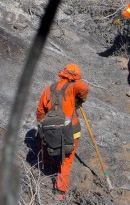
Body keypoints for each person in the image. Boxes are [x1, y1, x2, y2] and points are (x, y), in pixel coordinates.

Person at [34, 64, 90, 197]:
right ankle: (60, 191)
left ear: (63, 73)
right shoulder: (75, 86)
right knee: (67, 159)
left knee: (43, 144)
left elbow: (40, 111)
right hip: (71, 131)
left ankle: (46, 168)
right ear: (75, 77)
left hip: (51, 131)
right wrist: (79, 100)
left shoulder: (49, 89)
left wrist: (45, 125)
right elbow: (84, 87)